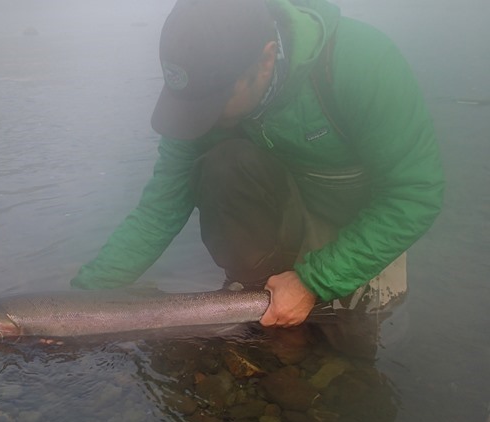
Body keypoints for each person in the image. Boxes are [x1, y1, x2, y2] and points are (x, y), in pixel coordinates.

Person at [71, 0, 444, 339]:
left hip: (355, 222)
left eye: (216, 101)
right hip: (285, 213)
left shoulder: (362, 62)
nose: (204, 116)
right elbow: (159, 211)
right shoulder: (200, 97)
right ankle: (253, 289)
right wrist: (79, 304)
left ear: (266, 60)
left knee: (354, 345)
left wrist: (313, 281)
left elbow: (415, 195)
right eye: (194, 103)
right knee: (225, 163)